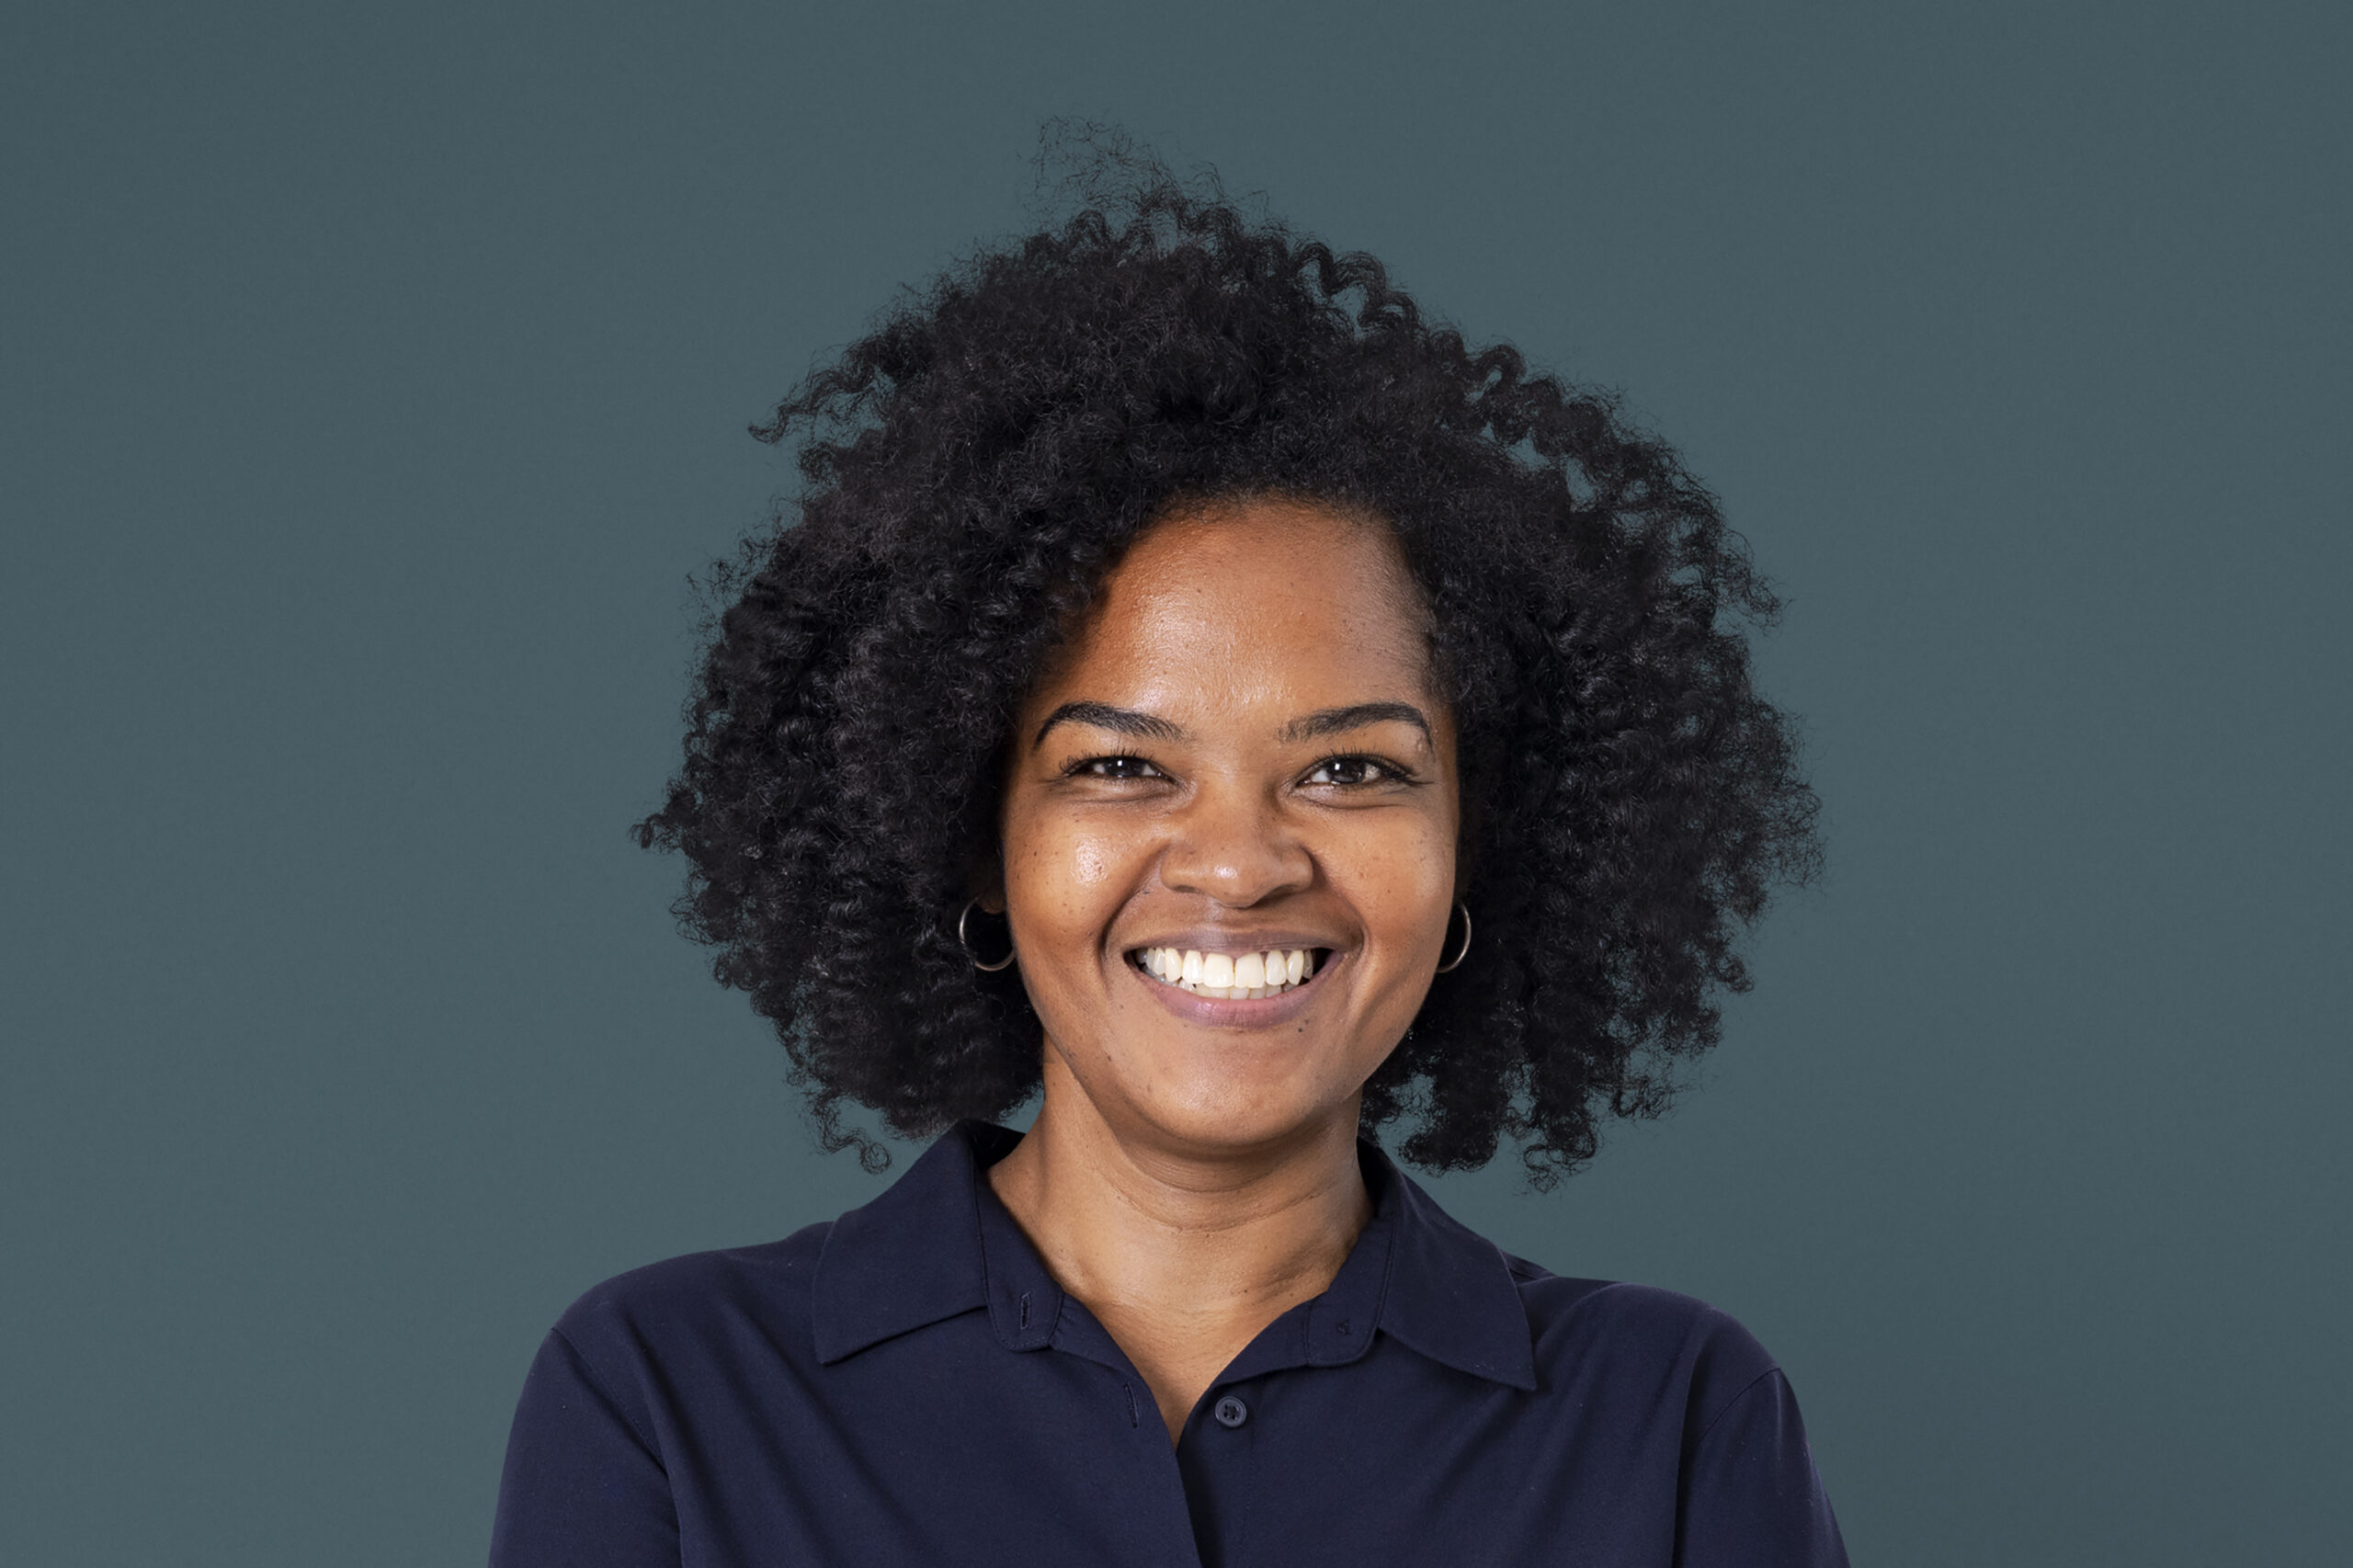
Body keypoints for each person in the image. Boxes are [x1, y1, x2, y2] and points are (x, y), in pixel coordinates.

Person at [490, 149, 1841, 1566]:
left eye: (1351, 769)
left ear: (1468, 842)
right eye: (1122, 767)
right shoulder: (671, 1397)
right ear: (975, 838)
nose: (1239, 865)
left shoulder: (1673, 1423)